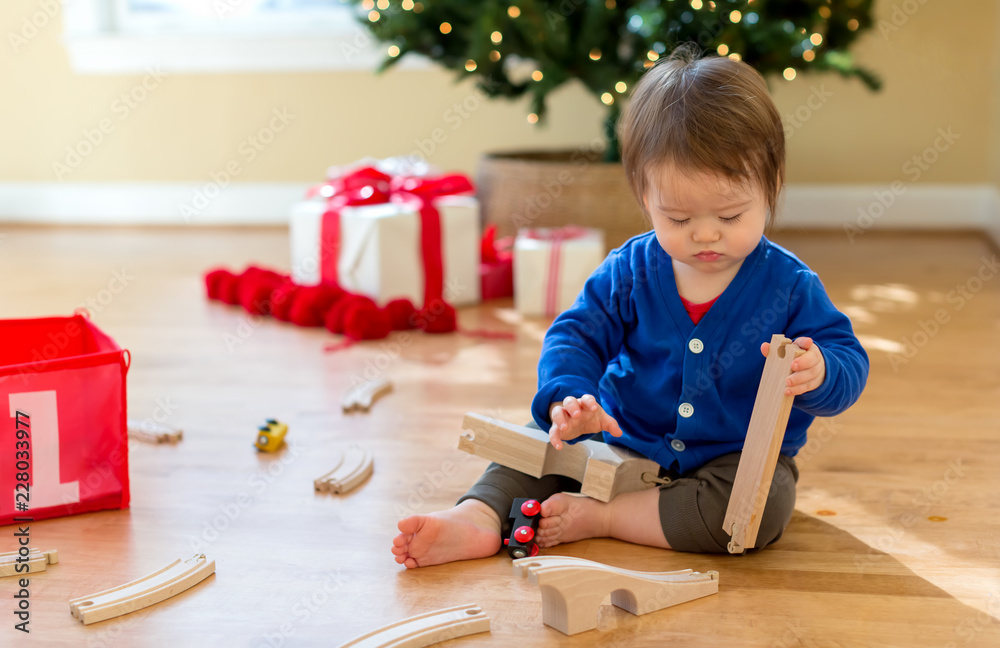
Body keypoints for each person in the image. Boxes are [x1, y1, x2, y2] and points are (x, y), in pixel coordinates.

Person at [391, 47, 869, 568]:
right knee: (538, 443)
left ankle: (606, 517)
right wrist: (570, 400)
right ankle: (479, 518)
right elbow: (575, 336)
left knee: (758, 510)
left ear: (771, 188)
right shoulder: (632, 269)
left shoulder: (790, 285)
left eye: (731, 215)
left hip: (727, 462)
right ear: (644, 198)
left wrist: (820, 370)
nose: (706, 233)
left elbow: (848, 360)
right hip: (621, 439)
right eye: (678, 218)